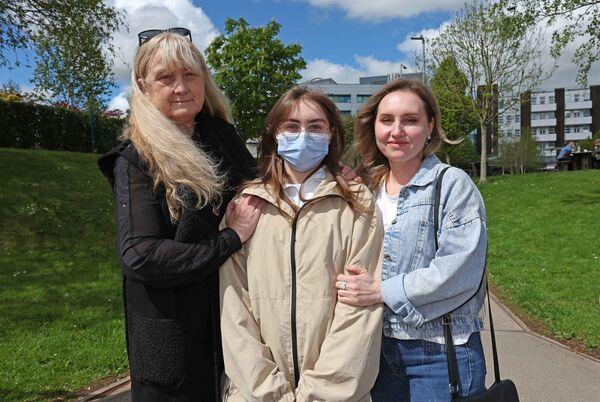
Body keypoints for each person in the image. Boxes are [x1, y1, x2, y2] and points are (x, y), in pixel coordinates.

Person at [98, 29, 265, 401]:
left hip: (231, 324)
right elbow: (140, 255)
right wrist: (230, 238)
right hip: (174, 340)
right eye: (166, 77)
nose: (181, 88)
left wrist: (330, 174)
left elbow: (265, 187)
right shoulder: (136, 158)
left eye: (190, 75)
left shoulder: (221, 135)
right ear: (142, 85)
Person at [219, 87, 384, 401]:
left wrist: (317, 395)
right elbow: (233, 309)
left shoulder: (358, 204)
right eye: (291, 126)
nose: (303, 135)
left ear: (331, 133)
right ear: (275, 134)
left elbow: (359, 314)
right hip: (255, 394)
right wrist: (271, 393)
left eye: (315, 126)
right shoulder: (246, 205)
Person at [335, 78, 488, 401]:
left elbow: (460, 270)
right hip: (377, 349)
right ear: (373, 126)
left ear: (430, 126)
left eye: (411, 120)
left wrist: (381, 290)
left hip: (439, 354)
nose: (397, 131)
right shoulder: (366, 189)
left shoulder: (451, 185)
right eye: (387, 120)